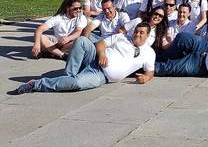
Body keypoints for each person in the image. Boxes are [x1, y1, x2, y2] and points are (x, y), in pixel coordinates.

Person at [15, 23, 155, 94]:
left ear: (147, 35)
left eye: (141, 32)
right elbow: (100, 44)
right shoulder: (122, 37)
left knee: (77, 84)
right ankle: (68, 76)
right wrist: (102, 54)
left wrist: (146, 78)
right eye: (136, 31)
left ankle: (36, 84)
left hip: (101, 74)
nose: (137, 34)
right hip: (93, 58)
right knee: (82, 40)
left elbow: (150, 72)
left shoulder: (149, 53)